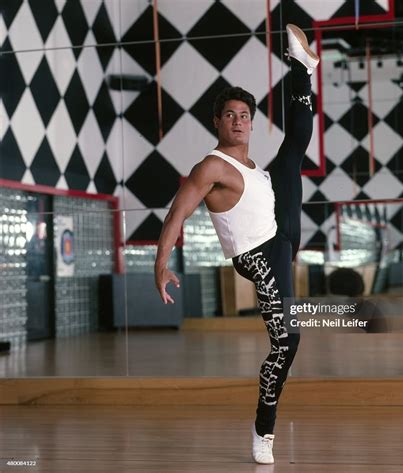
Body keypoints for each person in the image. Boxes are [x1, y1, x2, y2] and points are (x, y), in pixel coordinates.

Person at [154, 24, 319, 464]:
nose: (239, 121)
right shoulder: (212, 166)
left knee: (295, 147)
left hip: (282, 236)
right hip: (258, 256)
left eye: (245, 115)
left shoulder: (256, 171)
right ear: (218, 122)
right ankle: (263, 429)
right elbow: (177, 214)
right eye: (230, 114)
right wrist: (161, 264)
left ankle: (302, 68)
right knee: (286, 343)